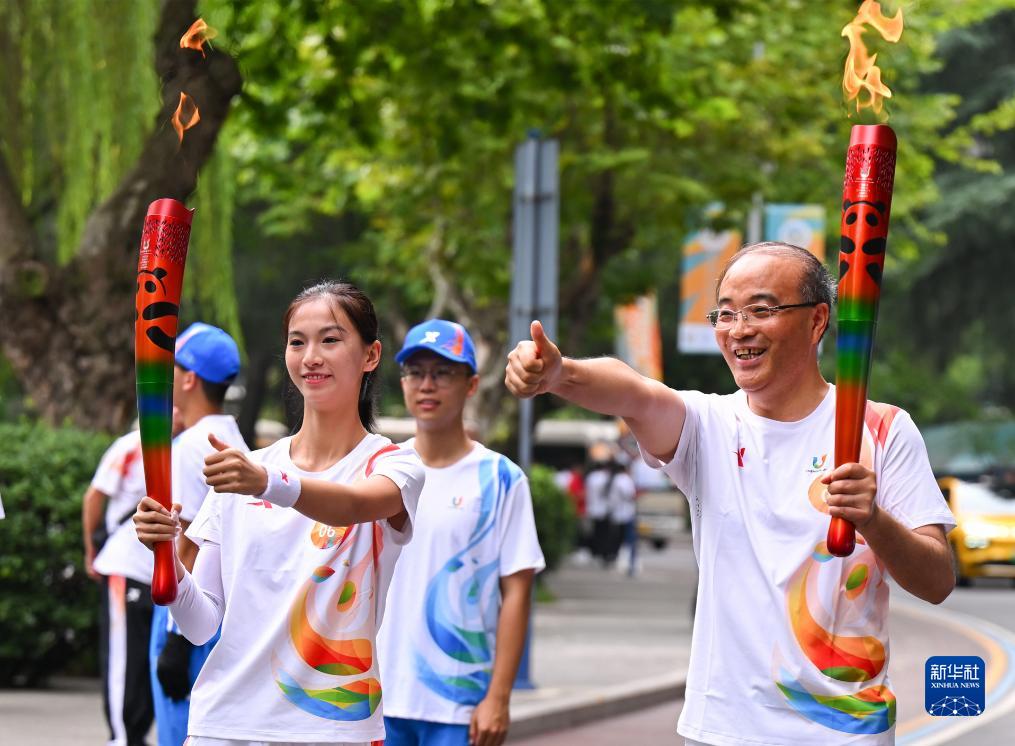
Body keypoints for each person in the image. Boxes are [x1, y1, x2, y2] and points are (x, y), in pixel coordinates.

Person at [505, 241, 956, 746]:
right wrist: (561, 374)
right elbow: (634, 391)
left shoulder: (884, 430)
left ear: (817, 321)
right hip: (723, 728)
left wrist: (874, 519)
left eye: (762, 310)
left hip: (845, 732)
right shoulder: (707, 426)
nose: (738, 330)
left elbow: (937, 579)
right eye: (724, 314)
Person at [134, 281, 424, 745]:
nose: (311, 356)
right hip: (223, 725)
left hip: (331, 727)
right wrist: (164, 555)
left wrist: (269, 484)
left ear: (370, 355)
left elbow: (354, 505)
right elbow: (201, 624)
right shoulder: (246, 470)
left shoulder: (392, 465)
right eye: (297, 341)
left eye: (330, 340)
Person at [378, 320, 544, 746]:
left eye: (443, 373)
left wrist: (499, 698)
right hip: (375, 698)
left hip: (457, 703)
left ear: (471, 385)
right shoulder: (379, 471)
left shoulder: (501, 479)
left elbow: (518, 594)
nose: (426, 385)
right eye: (415, 372)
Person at [149, 322, 248, 746]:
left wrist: (175, 642)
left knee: (182, 730)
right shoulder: (235, 440)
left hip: (185, 609)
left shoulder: (192, 446)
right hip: (222, 610)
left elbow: (189, 541)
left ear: (189, 378)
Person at [83, 411, 180, 746]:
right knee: (125, 661)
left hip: (166, 580)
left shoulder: (189, 447)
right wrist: (90, 552)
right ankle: (123, 738)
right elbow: (94, 497)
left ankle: (135, 736)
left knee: (149, 663)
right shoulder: (131, 445)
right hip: (125, 569)